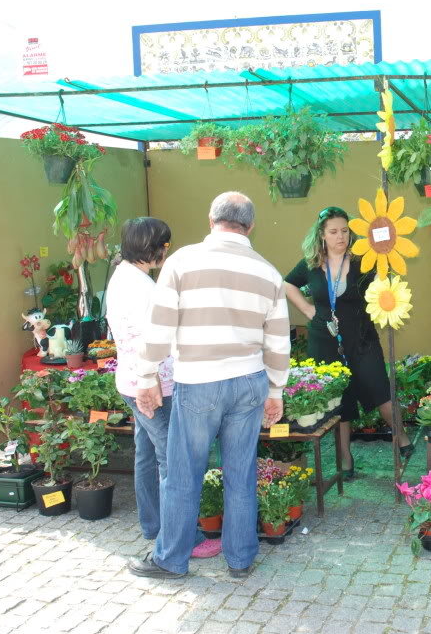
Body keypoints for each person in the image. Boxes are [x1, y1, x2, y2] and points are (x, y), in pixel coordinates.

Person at [127, 192, 289, 580]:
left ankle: (170, 560)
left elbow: (159, 326)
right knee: (241, 472)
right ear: (250, 226)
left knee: (184, 475)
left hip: (199, 381)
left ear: (210, 218)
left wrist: (146, 377)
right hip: (249, 382)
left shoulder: (182, 261)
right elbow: (279, 342)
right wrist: (276, 391)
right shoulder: (269, 273)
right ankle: (240, 559)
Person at [105, 217, 220, 559]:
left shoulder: (125, 277)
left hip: (133, 381)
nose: (165, 251)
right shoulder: (139, 286)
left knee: (148, 456)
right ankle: (185, 538)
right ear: (150, 247)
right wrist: (150, 383)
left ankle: (154, 525)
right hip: (154, 387)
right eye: (164, 245)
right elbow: (147, 341)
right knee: (174, 461)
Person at [283, 206, 412, 480]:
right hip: (324, 340)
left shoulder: (362, 261)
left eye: (344, 231)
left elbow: (383, 283)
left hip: (362, 338)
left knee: (381, 390)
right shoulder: (311, 264)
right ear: (321, 235)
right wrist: (308, 311)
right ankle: (345, 458)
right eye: (333, 232)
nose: (340, 236)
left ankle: (401, 438)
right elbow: (287, 284)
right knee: (338, 401)